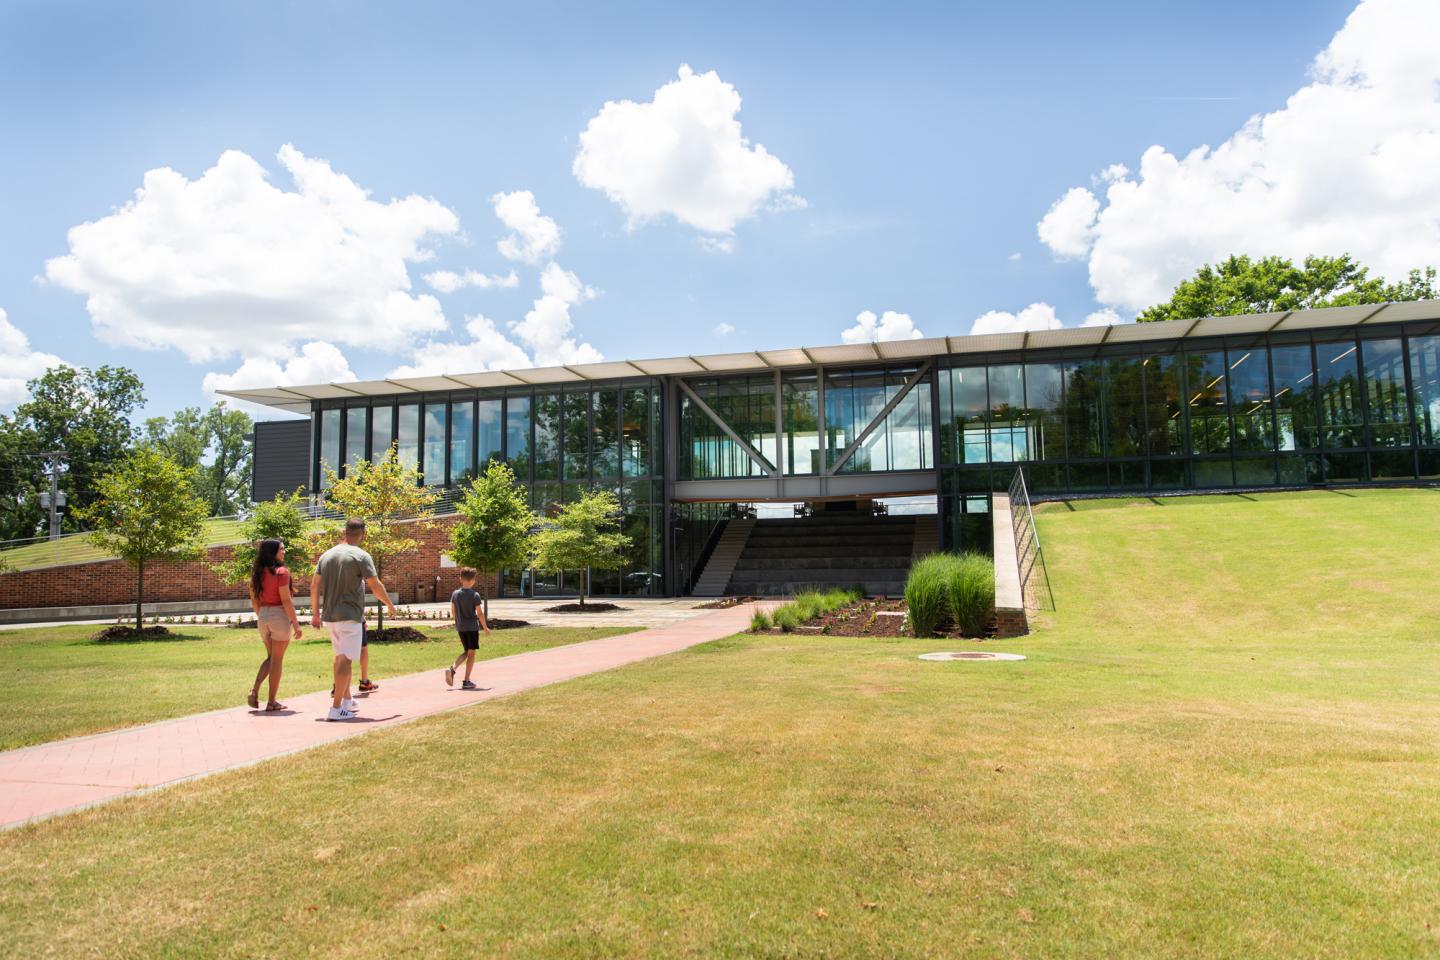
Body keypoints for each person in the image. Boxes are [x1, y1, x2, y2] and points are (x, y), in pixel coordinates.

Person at [311, 518, 398, 721]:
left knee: (340, 657)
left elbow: (314, 586)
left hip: (330, 616)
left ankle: (347, 700)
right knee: (346, 660)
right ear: (363, 534)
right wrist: (390, 604)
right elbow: (375, 585)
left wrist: (315, 614)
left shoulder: (326, 555)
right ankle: (336, 708)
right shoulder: (360, 555)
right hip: (349, 616)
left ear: (345, 531)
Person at [246, 538, 302, 711]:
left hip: (263, 616)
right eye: (281, 549)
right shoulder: (282, 572)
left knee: (271, 658)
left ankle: (254, 689)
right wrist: (296, 624)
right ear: (273, 552)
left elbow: (254, 600)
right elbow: (286, 600)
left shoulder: (257, 574)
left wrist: (263, 616)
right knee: (277, 660)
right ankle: (271, 702)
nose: (284, 551)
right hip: (279, 616)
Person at [444, 568, 491, 690]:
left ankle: (453, 669)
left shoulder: (455, 594)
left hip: (461, 627)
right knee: (471, 653)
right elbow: (480, 613)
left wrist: (458, 622)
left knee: (467, 651)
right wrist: (485, 627)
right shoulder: (475, 595)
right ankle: (466, 681)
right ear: (473, 580)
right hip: (471, 628)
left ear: (461, 579)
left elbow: (453, 612)